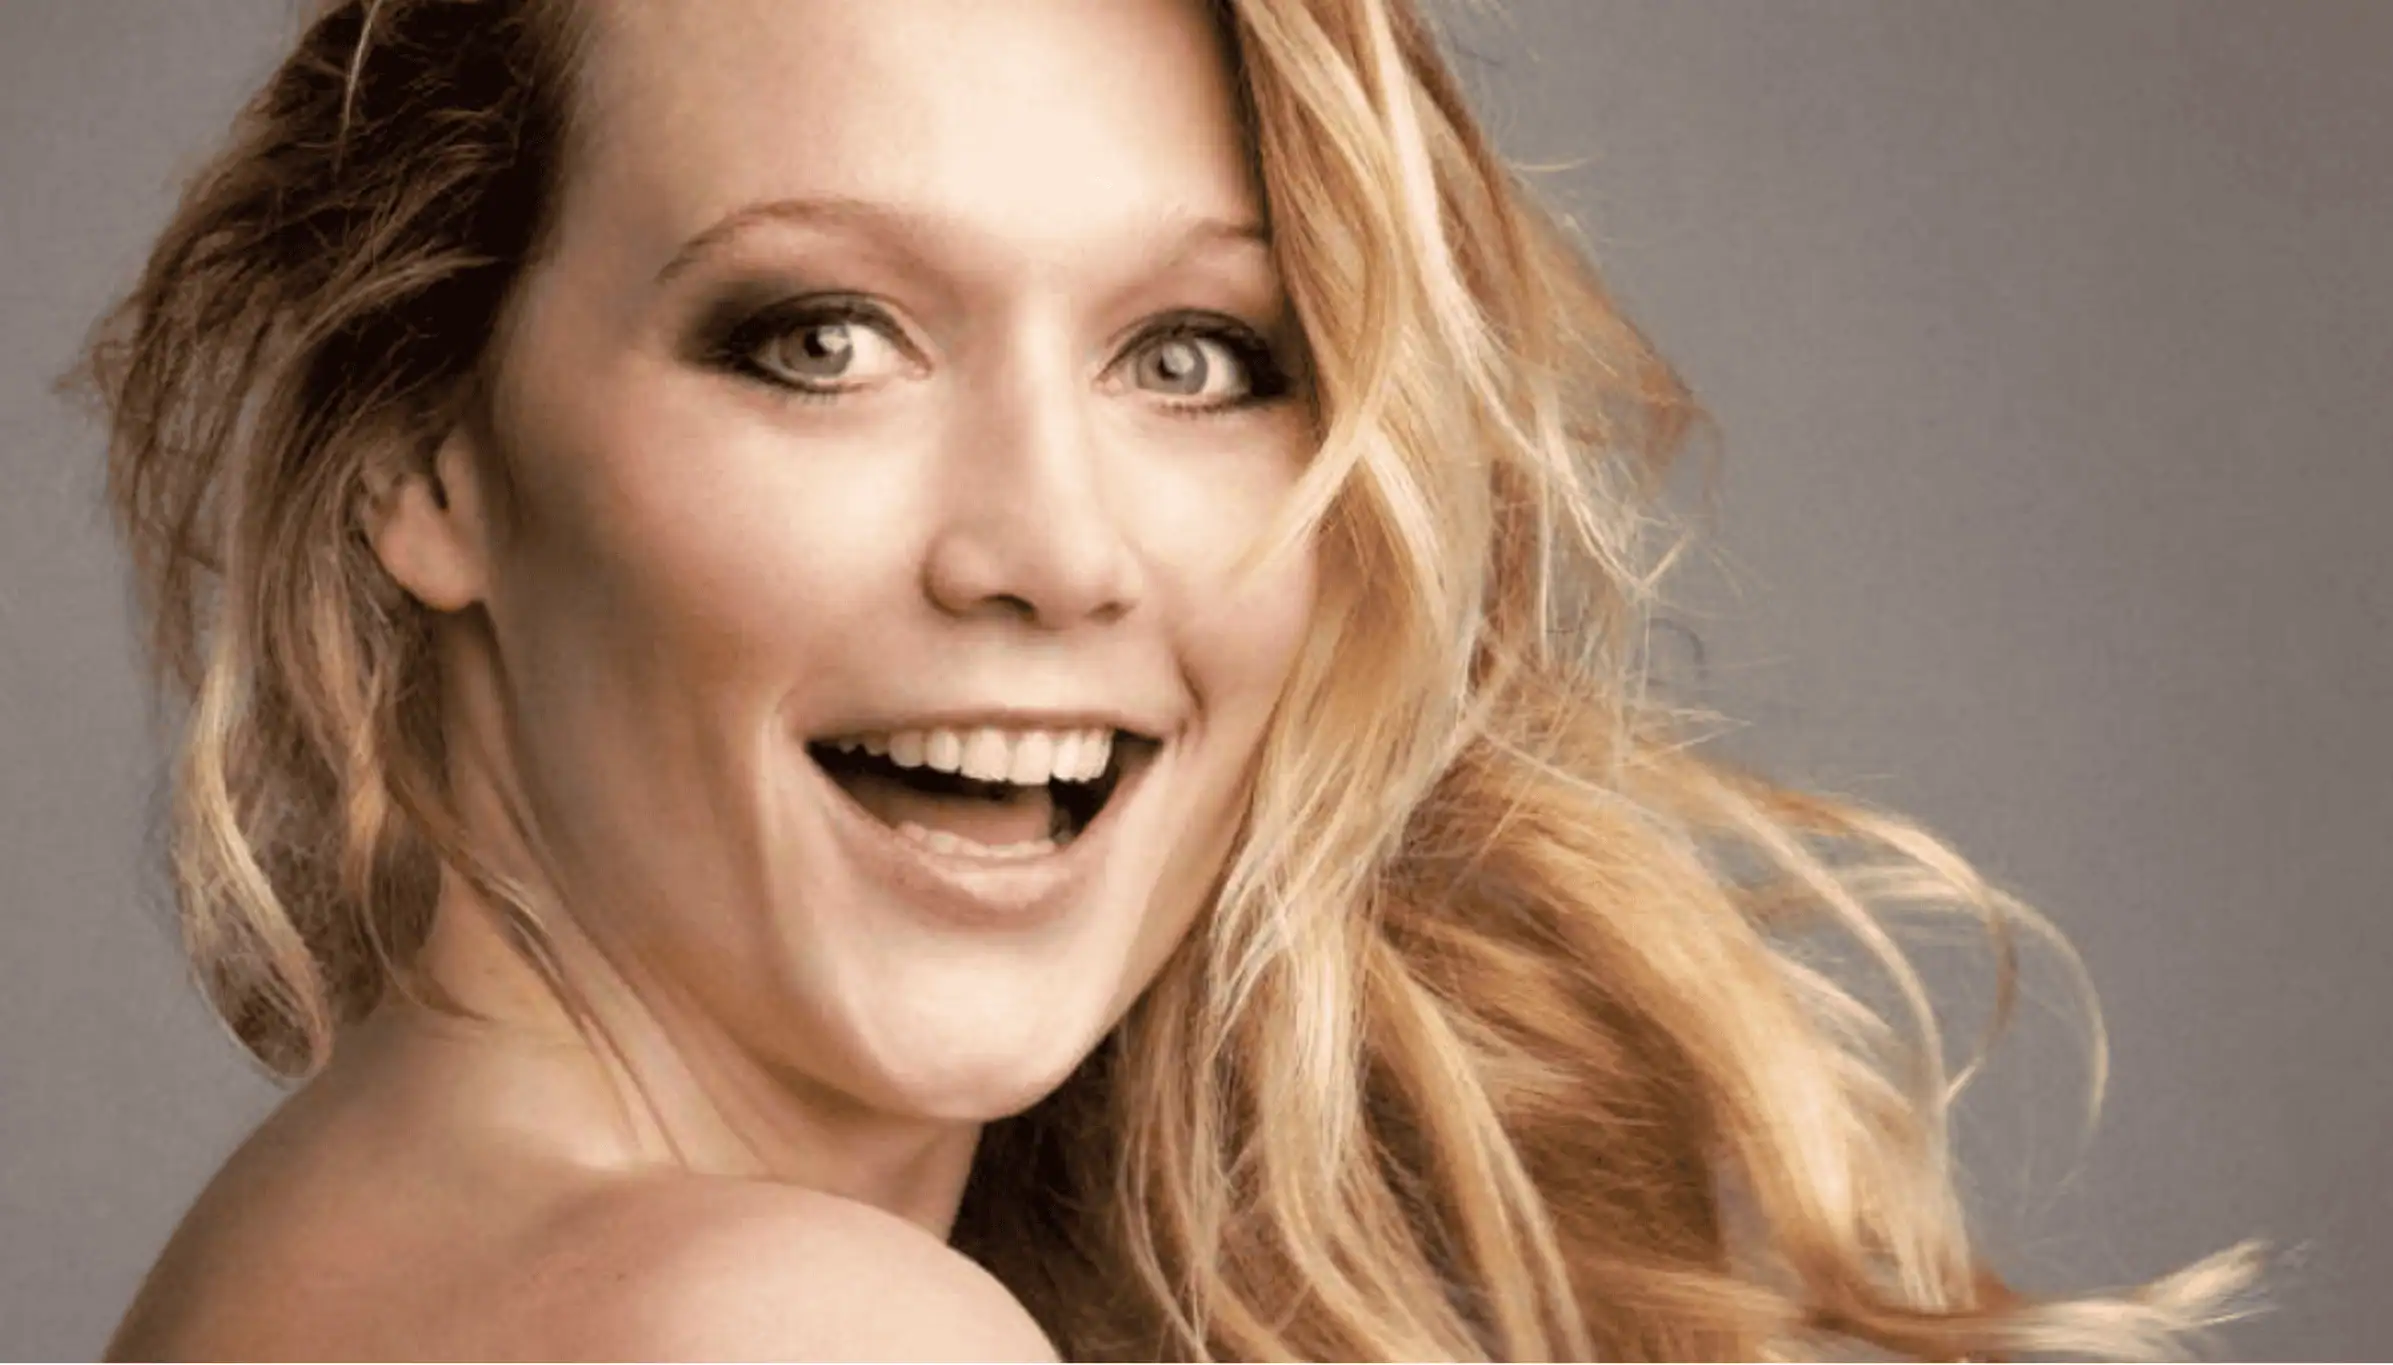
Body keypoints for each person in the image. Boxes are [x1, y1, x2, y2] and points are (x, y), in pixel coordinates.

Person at [78, 0, 2262, 1358]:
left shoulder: (332, 1252)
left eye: (1195, 357)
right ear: (425, 453)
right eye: (822, 337)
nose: (1053, 549)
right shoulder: (786, 1330)